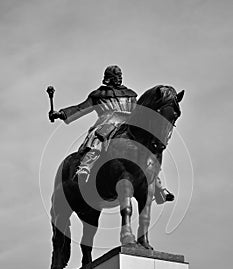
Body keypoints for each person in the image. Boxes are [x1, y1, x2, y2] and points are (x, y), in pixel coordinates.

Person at [49, 65, 174, 204]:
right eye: (116, 76)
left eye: (120, 76)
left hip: (128, 123)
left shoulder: (130, 94)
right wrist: (61, 113)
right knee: (97, 140)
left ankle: (158, 185)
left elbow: (138, 111)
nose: (119, 79)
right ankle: (85, 167)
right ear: (109, 78)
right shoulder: (98, 95)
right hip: (107, 122)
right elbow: (80, 108)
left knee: (146, 150)